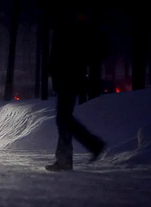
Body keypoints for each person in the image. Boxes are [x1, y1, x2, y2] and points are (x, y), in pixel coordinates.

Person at [45, 1, 106, 171]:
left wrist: (56, 72)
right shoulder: (68, 27)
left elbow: (62, 56)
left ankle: (91, 145)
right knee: (64, 118)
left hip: (68, 77)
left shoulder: (65, 29)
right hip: (69, 77)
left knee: (64, 118)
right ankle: (66, 158)